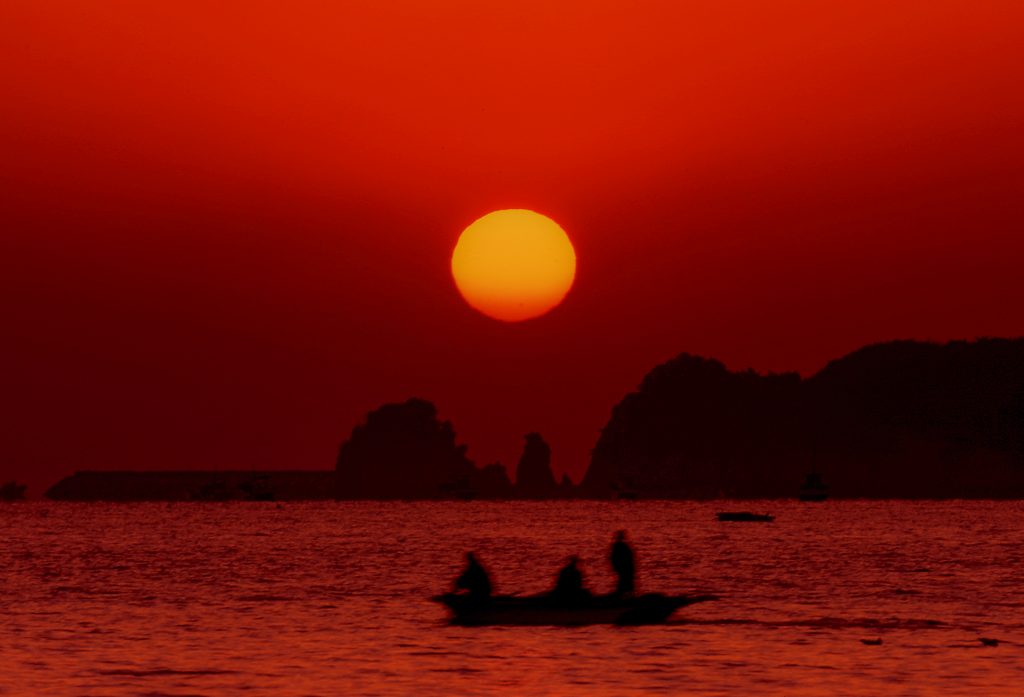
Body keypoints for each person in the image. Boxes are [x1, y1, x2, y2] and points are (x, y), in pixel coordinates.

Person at [610, 530, 636, 597]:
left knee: (624, 581)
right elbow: (614, 557)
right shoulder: (621, 546)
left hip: (624, 567)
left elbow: (613, 557)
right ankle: (625, 595)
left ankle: (625, 594)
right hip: (624, 568)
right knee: (625, 581)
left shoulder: (619, 546)